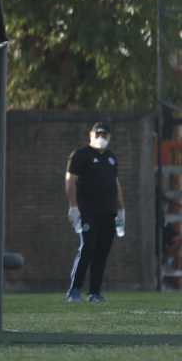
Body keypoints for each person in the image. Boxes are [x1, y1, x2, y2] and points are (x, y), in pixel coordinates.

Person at [65, 122, 126, 303]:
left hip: (108, 212)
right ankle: (74, 290)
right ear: (91, 135)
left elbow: (115, 184)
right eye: (98, 133)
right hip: (88, 211)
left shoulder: (111, 158)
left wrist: (121, 209)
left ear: (109, 137)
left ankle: (95, 292)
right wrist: (73, 206)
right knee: (87, 248)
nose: (101, 137)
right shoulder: (80, 155)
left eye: (105, 134)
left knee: (102, 251)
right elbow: (70, 180)